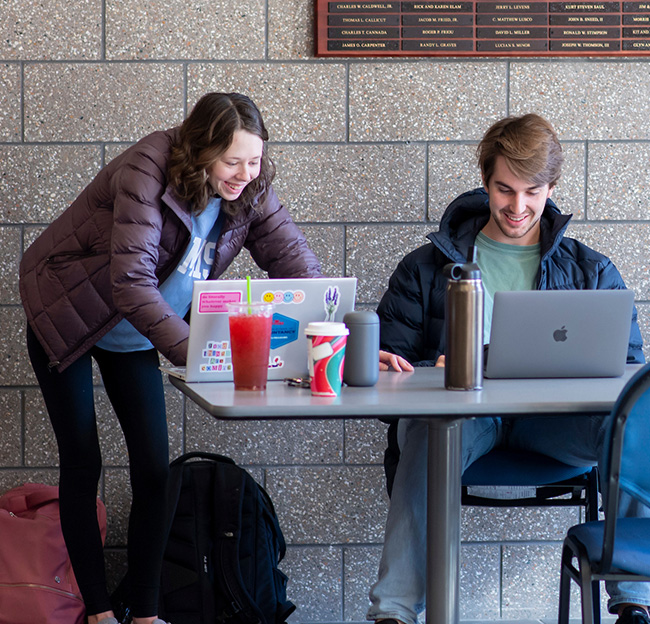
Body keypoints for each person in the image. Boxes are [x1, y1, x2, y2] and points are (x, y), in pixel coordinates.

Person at [19, 92, 321, 624]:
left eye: (255, 160)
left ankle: (145, 613)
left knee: (154, 469)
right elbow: (131, 284)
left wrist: (339, 334)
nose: (244, 174)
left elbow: (293, 259)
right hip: (67, 315)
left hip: (136, 329)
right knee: (83, 460)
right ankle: (99, 612)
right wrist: (199, 356)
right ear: (200, 149)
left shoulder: (251, 186)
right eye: (232, 162)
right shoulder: (147, 168)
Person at [370, 113, 650, 624]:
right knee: (425, 429)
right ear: (484, 181)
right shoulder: (426, 268)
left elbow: (629, 369)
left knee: (630, 426)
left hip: (554, 424)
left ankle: (634, 603)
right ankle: (394, 613)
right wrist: (403, 366)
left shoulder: (591, 270)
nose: (517, 207)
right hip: (465, 420)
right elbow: (386, 361)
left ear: (552, 188)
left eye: (533, 192)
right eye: (504, 190)